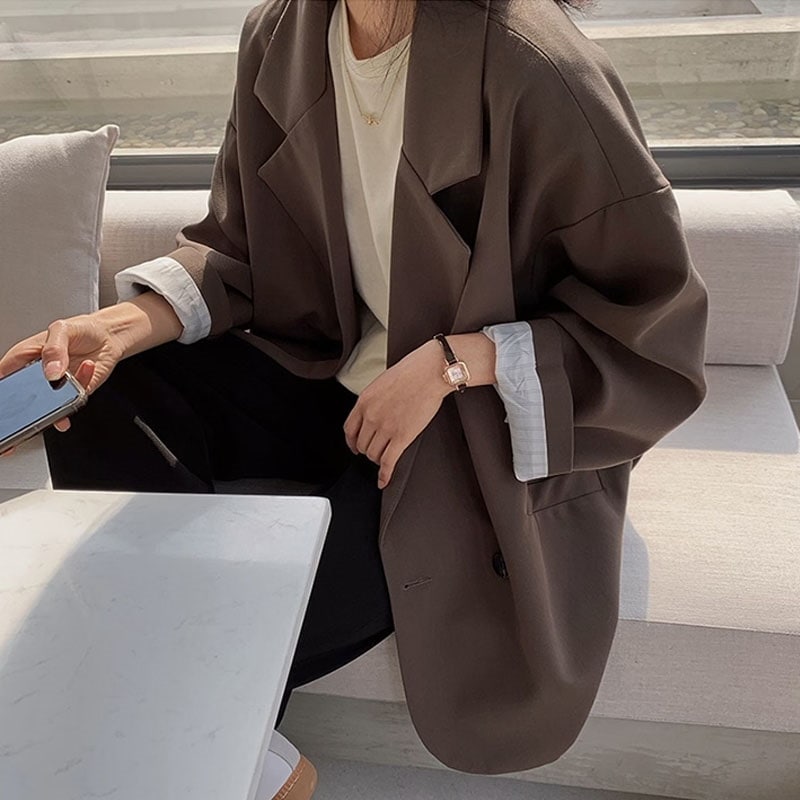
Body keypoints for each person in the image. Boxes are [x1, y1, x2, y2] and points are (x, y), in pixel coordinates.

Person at [0, 0, 710, 796]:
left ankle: (202, 737)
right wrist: (115, 327)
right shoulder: (282, 36)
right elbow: (241, 249)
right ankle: (260, 768)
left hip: (462, 423)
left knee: (213, 614)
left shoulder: (536, 66)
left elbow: (656, 338)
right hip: (321, 371)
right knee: (104, 391)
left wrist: (451, 364)